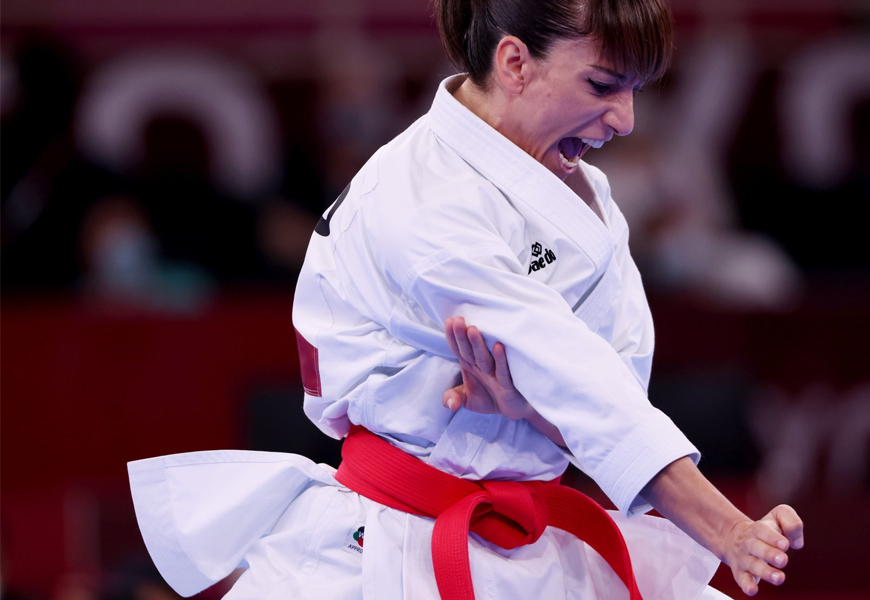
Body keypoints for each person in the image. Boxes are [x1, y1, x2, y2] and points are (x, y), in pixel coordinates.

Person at [127, 0, 804, 598]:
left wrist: (532, 409)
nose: (625, 119)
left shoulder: (591, 197)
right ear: (515, 61)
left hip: (538, 542)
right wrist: (726, 528)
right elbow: (570, 367)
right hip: (395, 545)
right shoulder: (419, 195)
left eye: (634, 91)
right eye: (603, 84)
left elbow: (611, 389)